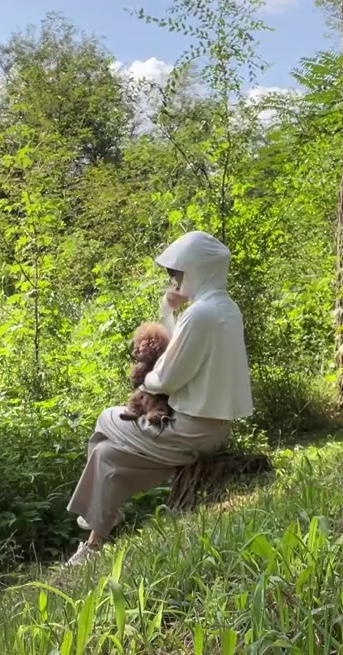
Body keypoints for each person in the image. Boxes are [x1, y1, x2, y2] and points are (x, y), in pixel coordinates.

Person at [64, 230, 253, 566]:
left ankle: (103, 515)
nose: (175, 280)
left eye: (177, 273)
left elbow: (167, 375)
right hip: (212, 429)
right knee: (106, 456)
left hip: (189, 429)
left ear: (195, 269)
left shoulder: (201, 314)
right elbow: (182, 349)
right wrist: (167, 310)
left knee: (107, 418)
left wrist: (148, 380)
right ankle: (94, 545)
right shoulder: (225, 309)